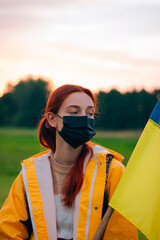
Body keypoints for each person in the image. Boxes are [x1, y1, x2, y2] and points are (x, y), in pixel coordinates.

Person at [0, 84, 138, 240]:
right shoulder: (31, 174)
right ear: (53, 119)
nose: (85, 118)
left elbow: (122, 233)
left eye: (90, 113)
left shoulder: (112, 171)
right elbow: (8, 232)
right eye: (74, 112)